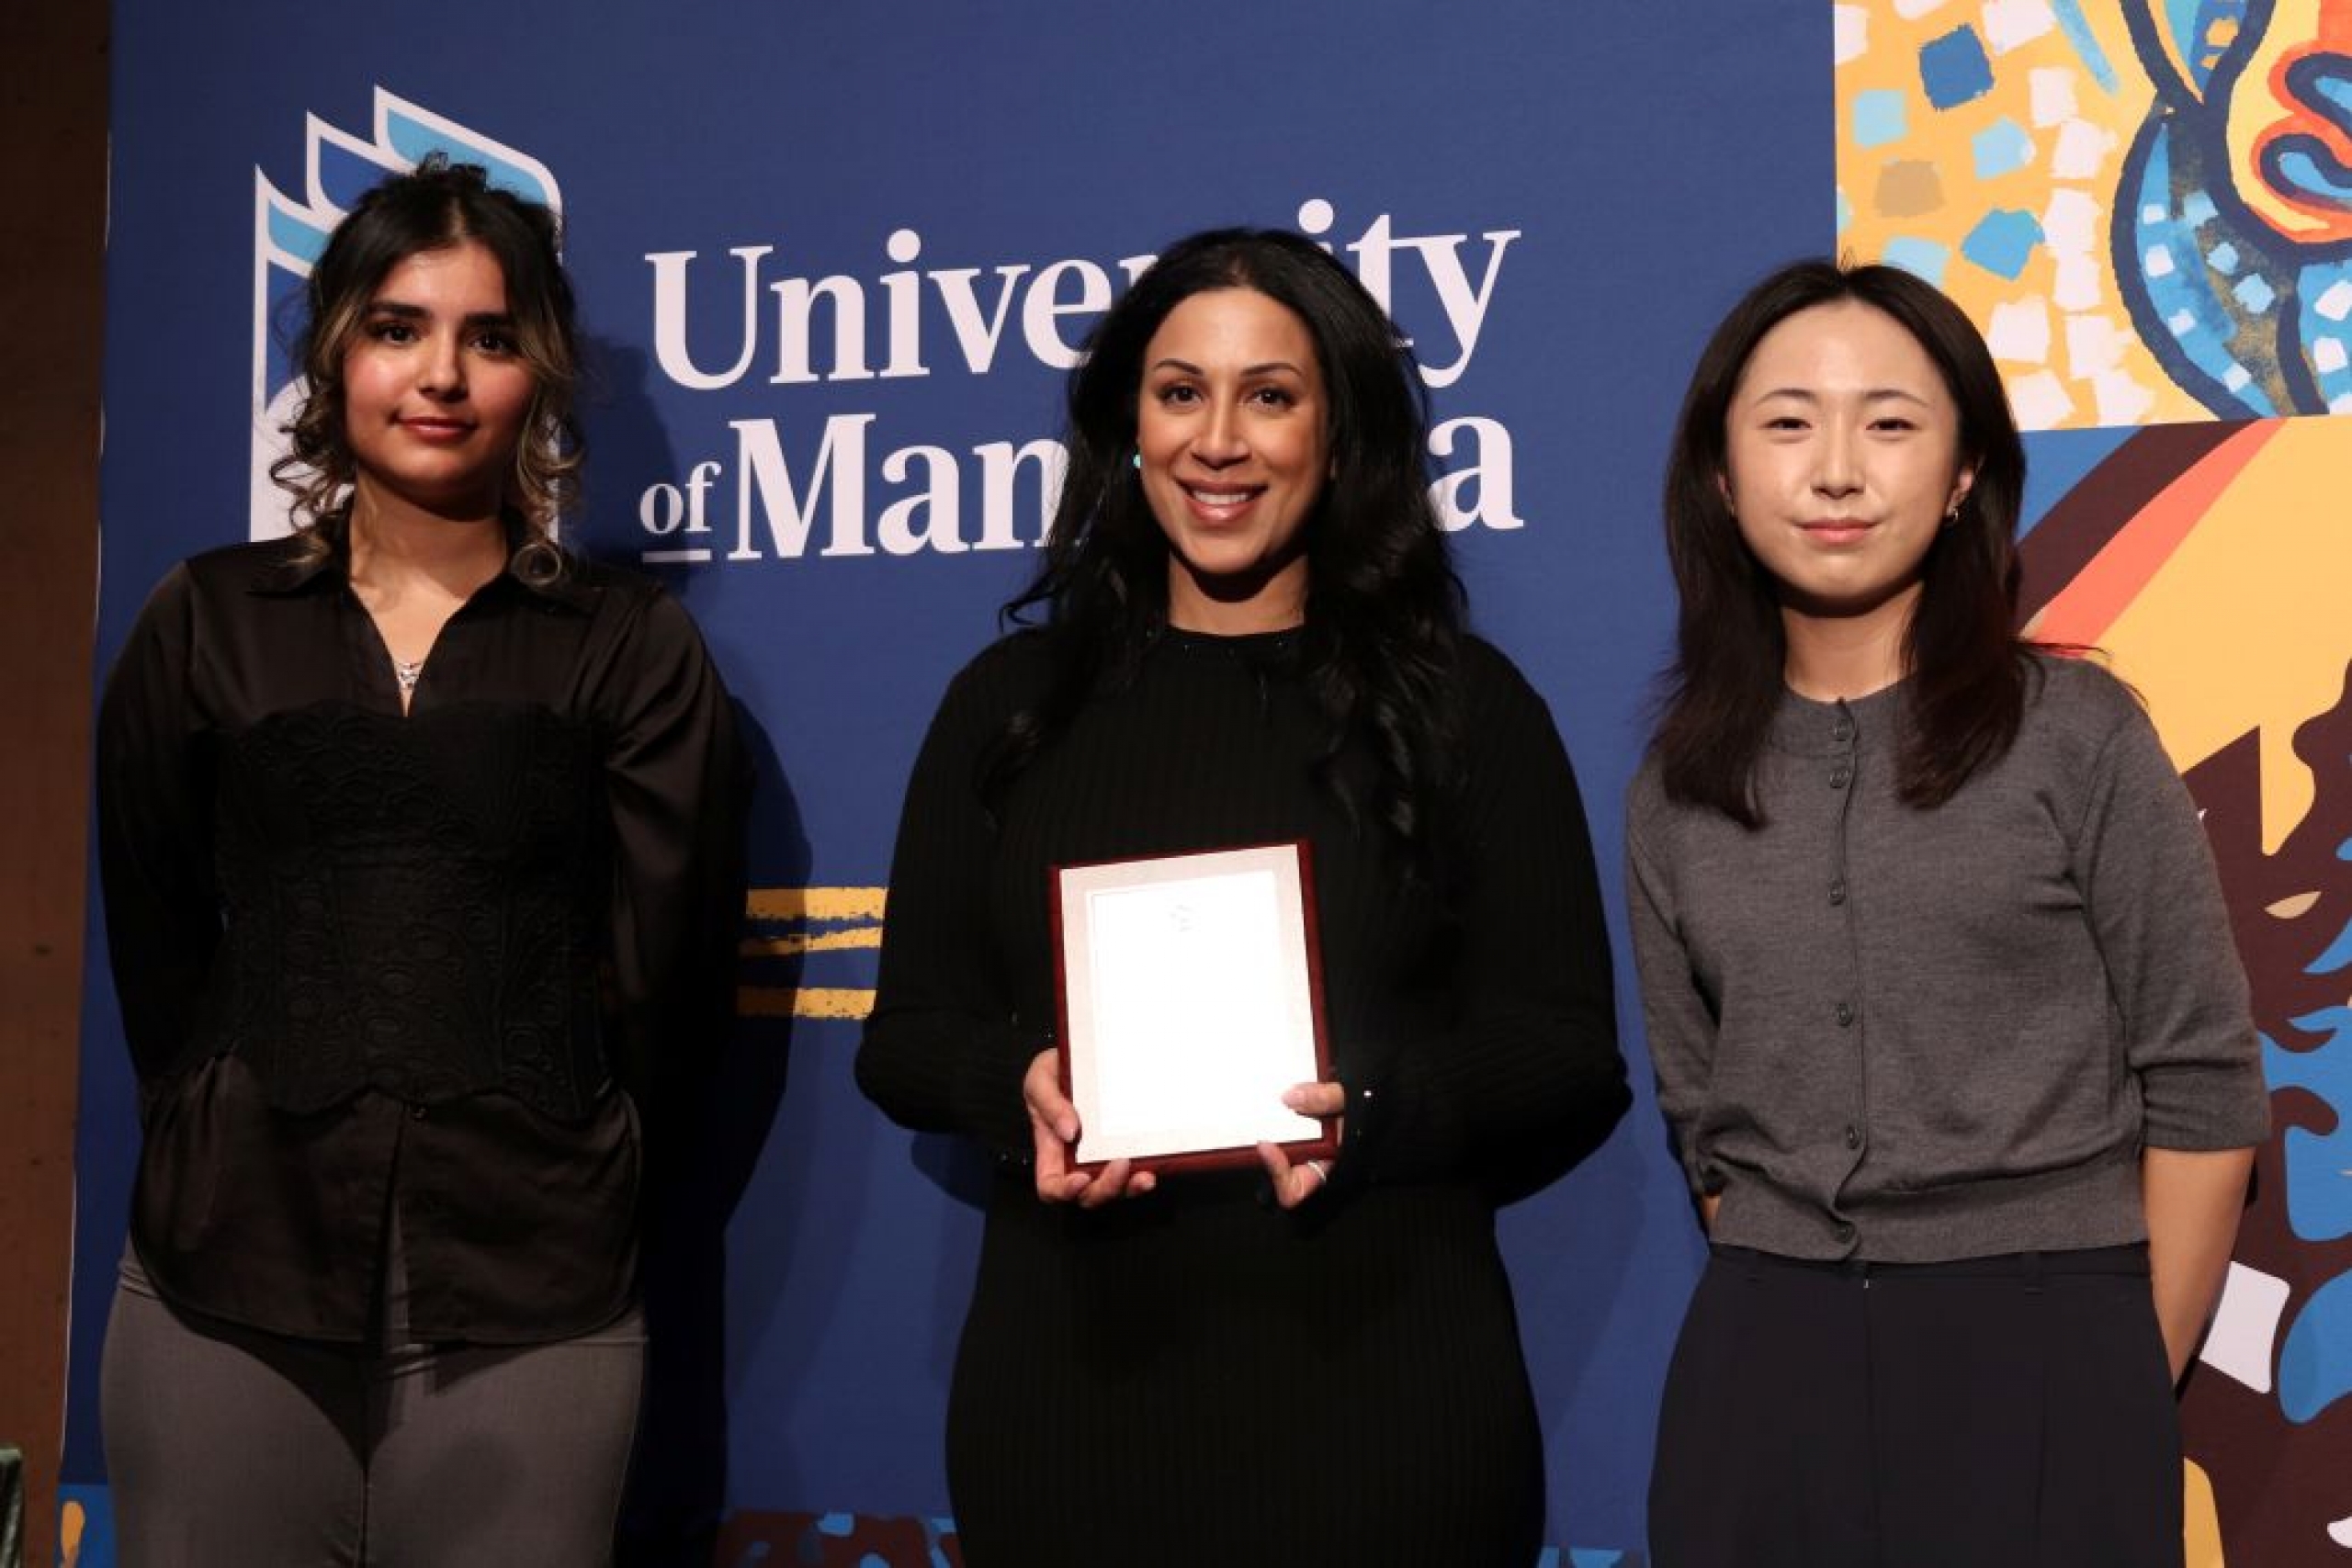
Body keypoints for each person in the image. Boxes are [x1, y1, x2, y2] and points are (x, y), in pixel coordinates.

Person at [855, 227, 1628, 1566]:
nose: (1220, 441)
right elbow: (906, 1033)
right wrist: (1017, 1085)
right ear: (1127, 427)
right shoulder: (1011, 710)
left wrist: (1378, 1111)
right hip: (1074, 1402)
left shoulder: (1462, 707)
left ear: (1338, 435)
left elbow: (1567, 1049)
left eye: (1270, 396)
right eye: (1179, 392)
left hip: (1388, 1406)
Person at [95, 156, 746, 1567]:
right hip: (224, 1279)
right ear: (333, 355)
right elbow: (156, 942)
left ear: (541, 376)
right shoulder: (205, 619)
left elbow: (669, 986)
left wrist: (580, 1163)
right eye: (399, 328)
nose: (441, 374)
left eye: (489, 336)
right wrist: (217, 1118)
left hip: (536, 1292)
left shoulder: (628, 649)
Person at [1627, 259, 2270, 1565]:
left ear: (1967, 471)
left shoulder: (2076, 737)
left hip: (2047, 1349)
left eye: (1893, 422)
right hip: (1763, 1362)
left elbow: (2204, 1089)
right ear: (1719, 470)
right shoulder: (1679, 784)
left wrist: (2108, 1385)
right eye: (1790, 421)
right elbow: (1703, 1113)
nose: (1838, 470)